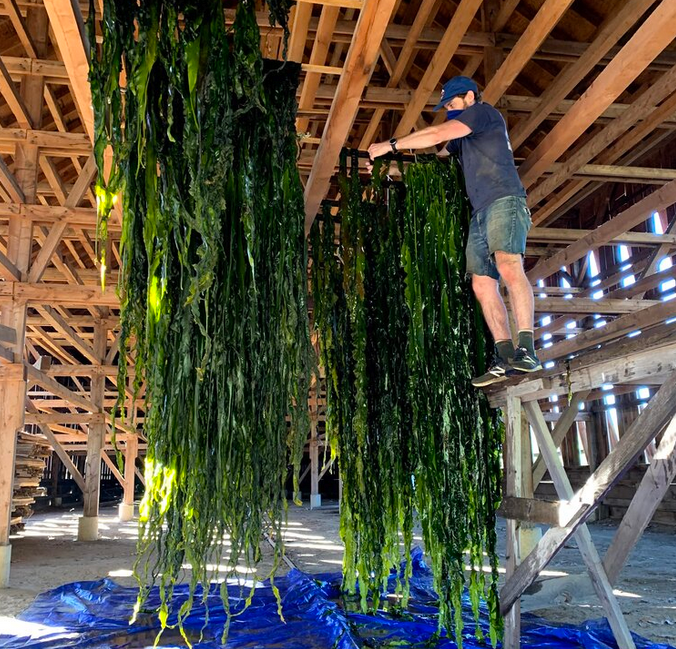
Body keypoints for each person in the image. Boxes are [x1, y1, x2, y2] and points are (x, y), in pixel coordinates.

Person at [367, 76, 541, 387]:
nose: (449, 109)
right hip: (480, 212)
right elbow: (436, 163)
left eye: (452, 103)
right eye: (446, 106)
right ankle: (504, 354)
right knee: (482, 284)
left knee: (508, 265)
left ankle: (526, 348)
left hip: (504, 200)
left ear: (469, 96)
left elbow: (437, 133)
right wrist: (388, 169)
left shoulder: (482, 114)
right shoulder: (462, 138)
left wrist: (390, 145)